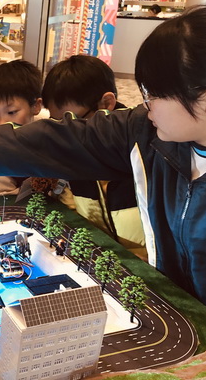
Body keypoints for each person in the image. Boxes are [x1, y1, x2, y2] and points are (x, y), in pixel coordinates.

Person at [0, 5, 206, 329]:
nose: (145, 105)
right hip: (179, 314)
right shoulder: (146, 132)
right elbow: (71, 137)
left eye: (153, 94)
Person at [42, 55, 146, 258]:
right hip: (98, 260)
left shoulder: (144, 149)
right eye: (58, 125)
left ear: (106, 103)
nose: (67, 135)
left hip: (150, 265)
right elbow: (70, 204)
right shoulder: (73, 154)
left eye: (73, 124)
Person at [0, 59, 48, 196]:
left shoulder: (51, 133)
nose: (1, 124)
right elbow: (3, 195)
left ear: (36, 106)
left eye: (11, 112)